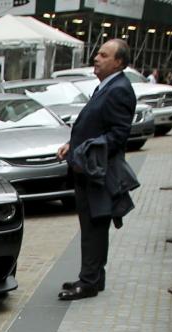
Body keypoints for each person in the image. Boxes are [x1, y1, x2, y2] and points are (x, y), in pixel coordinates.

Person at [56, 39, 139, 301]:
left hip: (96, 171)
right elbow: (97, 125)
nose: (96, 58)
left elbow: (118, 135)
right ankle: (94, 276)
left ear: (119, 62)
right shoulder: (106, 87)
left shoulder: (119, 90)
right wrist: (73, 144)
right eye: (97, 54)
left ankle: (89, 281)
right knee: (93, 225)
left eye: (104, 55)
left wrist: (85, 151)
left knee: (94, 226)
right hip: (88, 168)